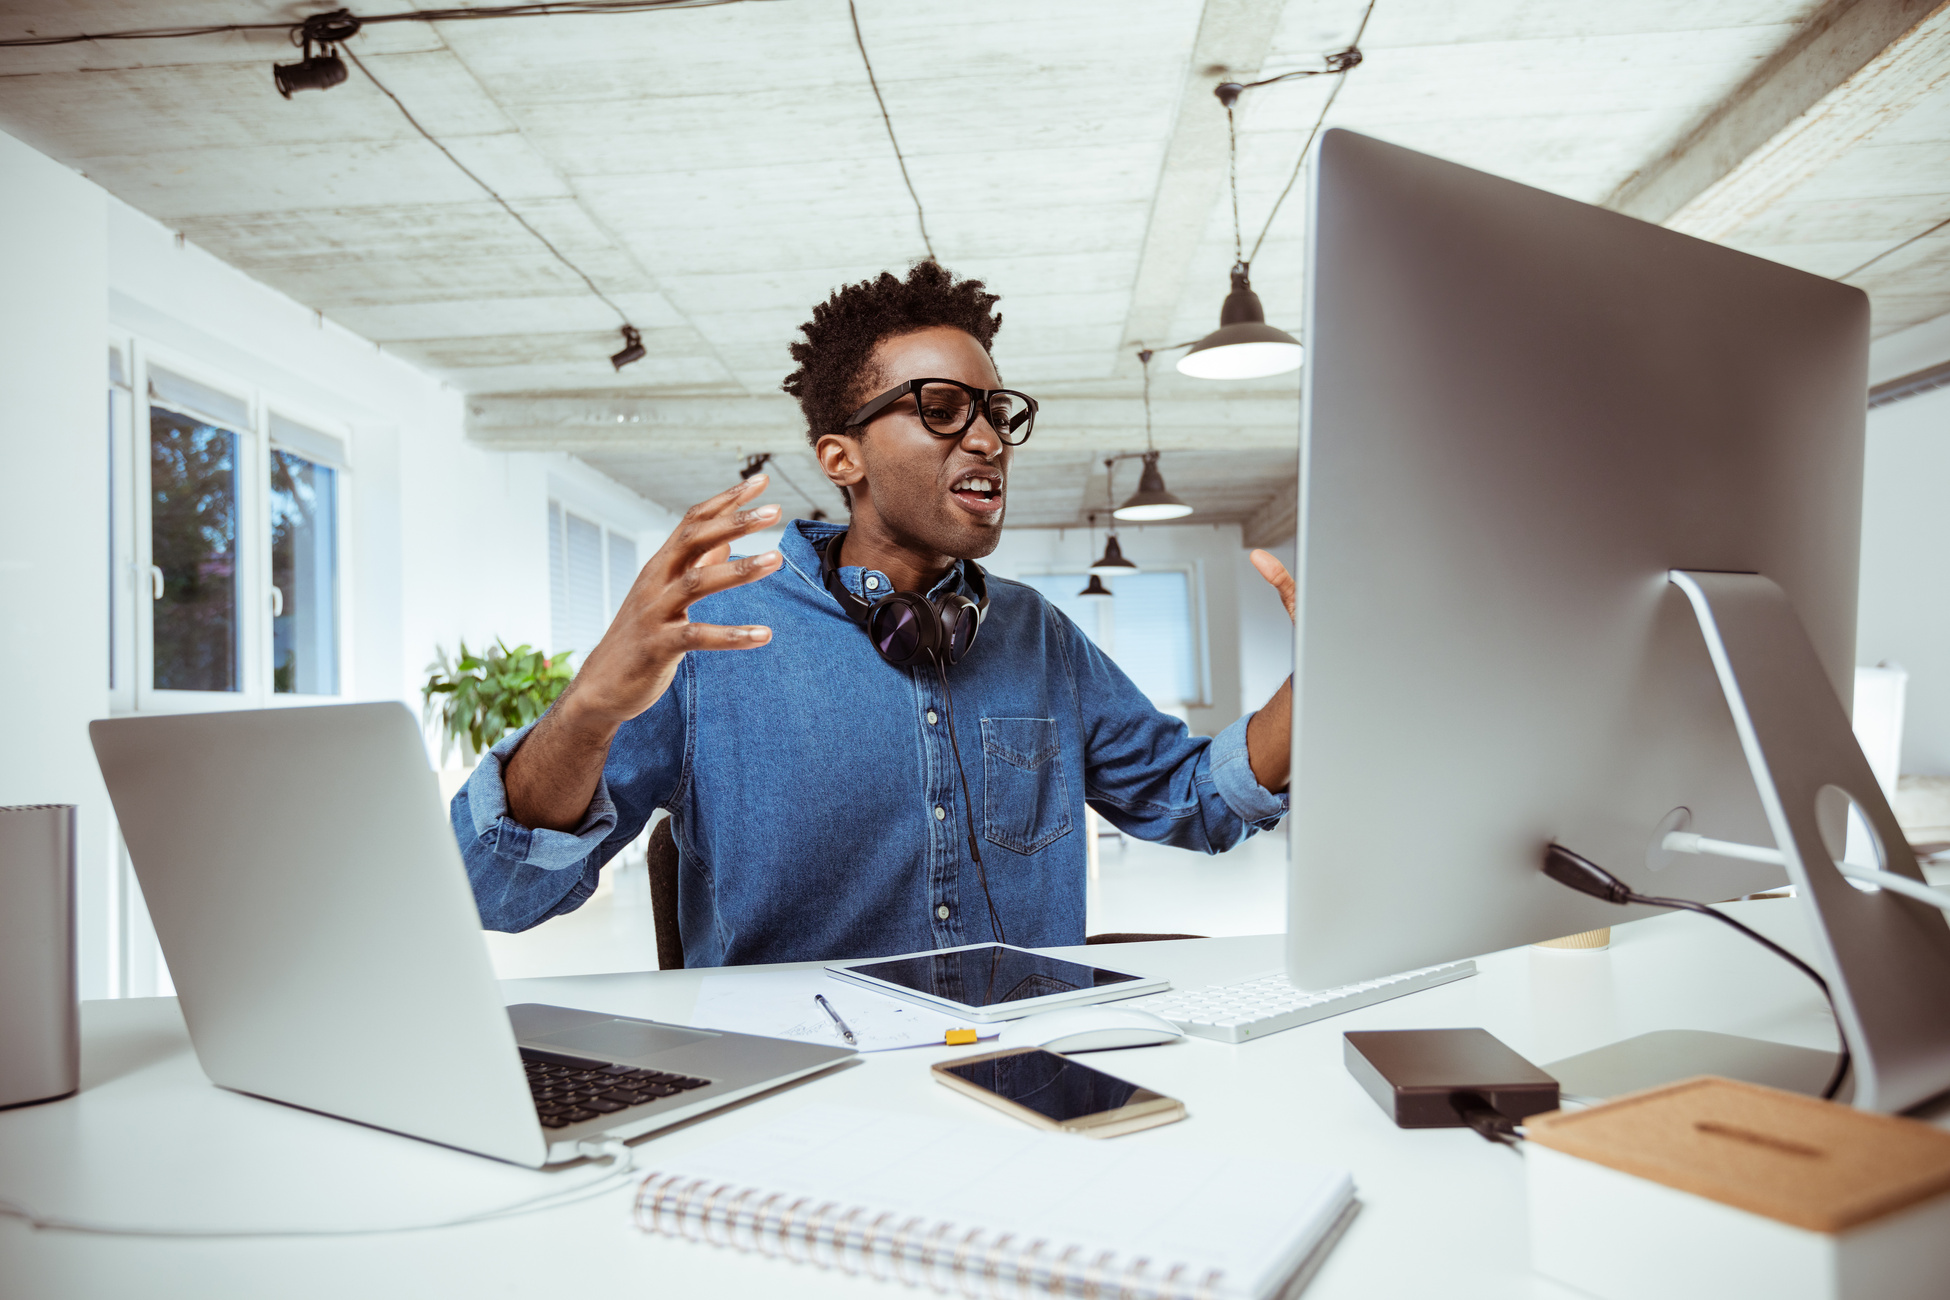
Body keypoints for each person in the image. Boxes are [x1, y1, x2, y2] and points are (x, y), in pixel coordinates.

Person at [453, 261, 1299, 966]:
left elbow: (1194, 800)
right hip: (801, 1090)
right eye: (940, 410)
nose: (988, 439)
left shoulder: (1036, 634)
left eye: (997, 412)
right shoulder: (715, 634)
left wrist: (1329, 668)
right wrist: (590, 708)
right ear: (841, 455)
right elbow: (496, 891)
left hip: (1023, 1064)